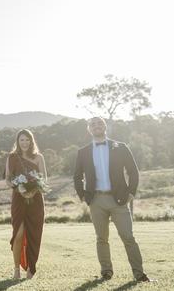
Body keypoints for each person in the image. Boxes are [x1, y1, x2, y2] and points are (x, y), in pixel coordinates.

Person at [74, 117, 151, 282]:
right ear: (89, 129)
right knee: (101, 238)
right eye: (93, 124)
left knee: (128, 237)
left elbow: (133, 171)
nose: (96, 126)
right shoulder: (83, 151)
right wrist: (82, 196)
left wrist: (131, 193)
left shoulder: (120, 147)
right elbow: (77, 176)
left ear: (105, 126)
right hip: (96, 201)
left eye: (99, 123)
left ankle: (140, 274)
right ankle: (106, 272)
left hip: (119, 200)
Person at [4, 129, 47, 279]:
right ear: (17, 141)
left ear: (31, 141)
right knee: (19, 234)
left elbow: (43, 179)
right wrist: (20, 188)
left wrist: (32, 191)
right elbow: (8, 179)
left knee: (34, 234)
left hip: (35, 201)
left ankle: (31, 268)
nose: (24, 143)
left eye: (27, 140)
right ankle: (16, 269)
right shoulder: (12, 157)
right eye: (22, 140)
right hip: (18, 199)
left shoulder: (39, 157)